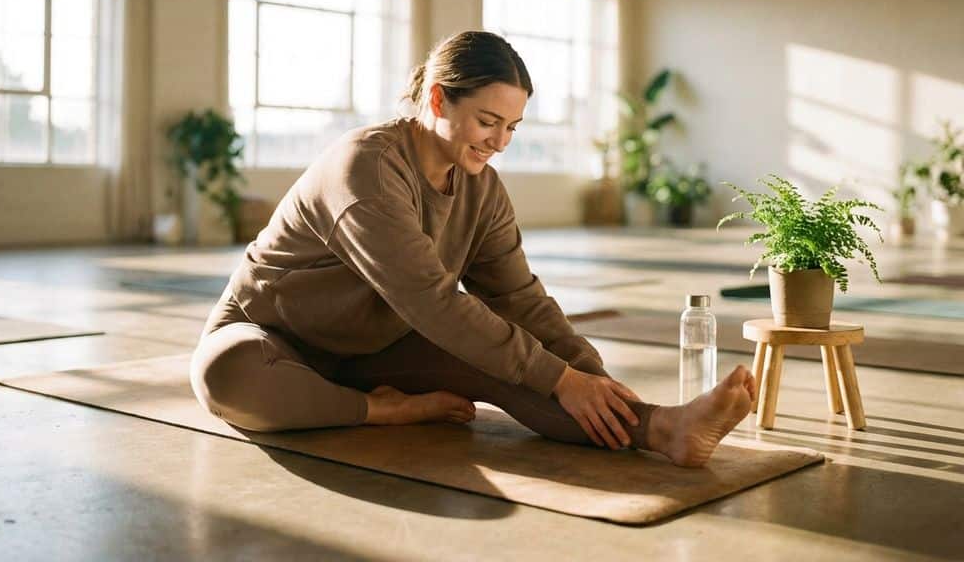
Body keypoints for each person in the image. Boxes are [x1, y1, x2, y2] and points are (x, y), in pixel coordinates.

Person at [190, 30, 755, 468]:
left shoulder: (482, 186)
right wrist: (562, 381)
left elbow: (518, 297)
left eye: (513, 126)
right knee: (224, 374)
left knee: (515, 359)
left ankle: (663, 429)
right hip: (275, 343)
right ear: (438, 98)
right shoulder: (366, 167)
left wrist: (589, 377)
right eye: (488, 121)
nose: (500, 142)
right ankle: (385, 410)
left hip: (375, 351)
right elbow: (433, 301)